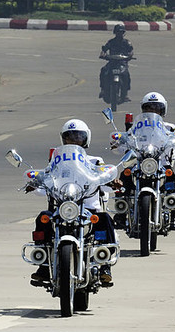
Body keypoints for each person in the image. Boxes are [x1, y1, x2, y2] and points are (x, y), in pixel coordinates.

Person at [28, 119, 117, 287]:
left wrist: (113, 182)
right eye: (70, 136)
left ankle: (105, 266)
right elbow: (46, 180)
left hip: (89, 210)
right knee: (43, 218)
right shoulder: (56, 162)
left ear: (86, 139)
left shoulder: (95, 161)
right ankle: (44, 265)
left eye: (78, 136)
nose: (74, 139)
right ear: (64, 139)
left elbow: (105, 178)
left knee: (104, 219)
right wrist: (35, 184)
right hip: (63, 208)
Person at [139, 91, 175, 230]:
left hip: (162, 164)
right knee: (125, 176)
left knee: (172, 180)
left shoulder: (169, 127)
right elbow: (125, 141)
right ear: (143, 110)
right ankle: (122, 211)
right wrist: (119, 142)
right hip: (142, 164)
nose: (153, 111)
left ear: (163, 110)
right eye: (149, 108)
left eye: (156, 108)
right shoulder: (138, 127)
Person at [99, 24, 133, 102]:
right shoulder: (111, 42)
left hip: (122, 63)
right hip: (112, 62)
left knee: (126, 74)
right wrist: (103, 54)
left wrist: (130, 56)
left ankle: (125, 94)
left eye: (121, 32)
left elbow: (131, 51)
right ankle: (103, 89)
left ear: (124, 33)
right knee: (103, 70)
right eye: (118, 32)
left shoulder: (127, 42)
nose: (119, 34)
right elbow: (104, 49)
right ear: (115, 32)